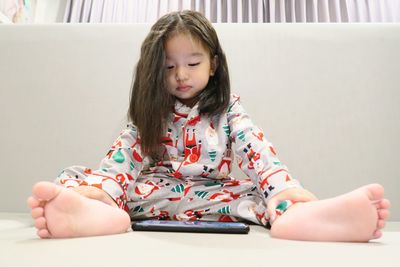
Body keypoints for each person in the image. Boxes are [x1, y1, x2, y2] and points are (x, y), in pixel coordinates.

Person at [27, 10, 390, 242]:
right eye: (169, 67)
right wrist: (103, 191)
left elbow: (255, 150)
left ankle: (298, 219)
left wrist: (284, 190)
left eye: (192, 63)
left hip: (217, 197)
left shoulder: (229, 109)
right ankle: (101, 215)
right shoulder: (151, 110)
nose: (181, 75)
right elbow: (124, 156)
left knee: (259, 197)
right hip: (155, 195)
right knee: (76, 179)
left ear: (213, 65)